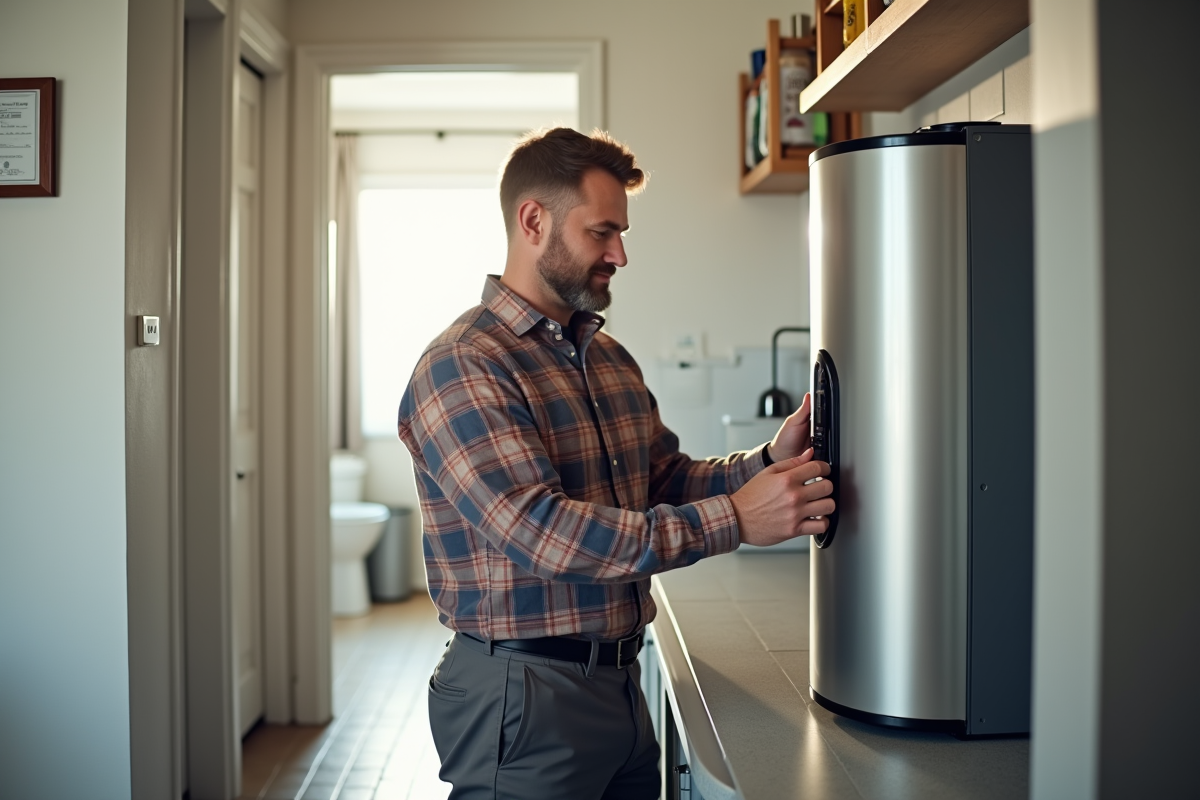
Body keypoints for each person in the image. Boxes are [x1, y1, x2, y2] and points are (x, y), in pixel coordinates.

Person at [397, 127, 834, 800]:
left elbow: (662, 480)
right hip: (525, 694)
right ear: (533, 221)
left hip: (619, 683)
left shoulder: (607, 359)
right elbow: (541, 532)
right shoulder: (463, 365)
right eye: (602, 232)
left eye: (622, 233)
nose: (620, 255)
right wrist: (737, 521)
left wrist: (768, 460)